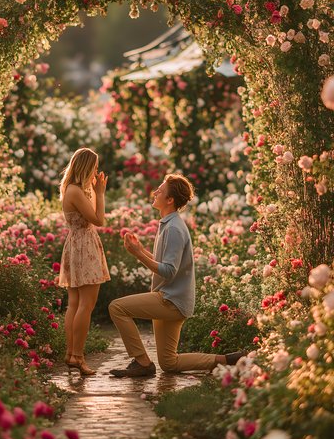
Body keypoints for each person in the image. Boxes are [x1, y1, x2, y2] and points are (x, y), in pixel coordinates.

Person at [108, 173, 244, 378]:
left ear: (170, 200)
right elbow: (165, 263)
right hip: (174, 299)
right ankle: (226, 360)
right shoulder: (169, 224)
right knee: (169, 363)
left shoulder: (173, 228)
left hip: (170, 301)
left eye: (160, 191)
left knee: (116, 307)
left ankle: (141, 362)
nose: (155, 192)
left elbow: (168, 271)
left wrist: (137, 254)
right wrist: (140, 250)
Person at [59, 148, 110, 376]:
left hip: (76, 245)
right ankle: (78, 356)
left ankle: (71, 354)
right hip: (84, 247)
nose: (97, 172)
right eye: (95, 168)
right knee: (85, 305)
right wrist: (100, 193)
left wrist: (92, 187)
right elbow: (98, 220)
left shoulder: (71, 188)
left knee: (75, 303)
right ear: (86, 167)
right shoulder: (76, 192)